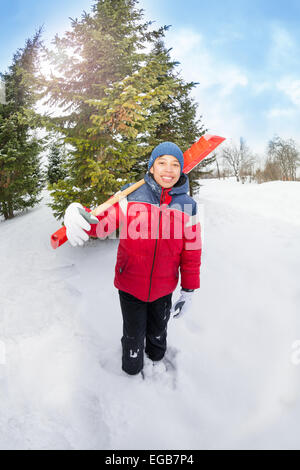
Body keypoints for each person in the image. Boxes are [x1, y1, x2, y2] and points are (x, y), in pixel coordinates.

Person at [64, 142, 202, 376]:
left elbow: (192, 250)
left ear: (181, 170)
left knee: (159, 331)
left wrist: (188, 290)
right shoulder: (131, 196)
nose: (168, 170)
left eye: (175, 164)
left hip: (164, 287)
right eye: (162, 163)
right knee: (133, 334)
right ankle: (131, 371)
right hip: (130, 285)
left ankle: (157, 359)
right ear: (151, 168)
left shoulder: (187, 206)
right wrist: (77, 214)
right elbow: (101, 225)